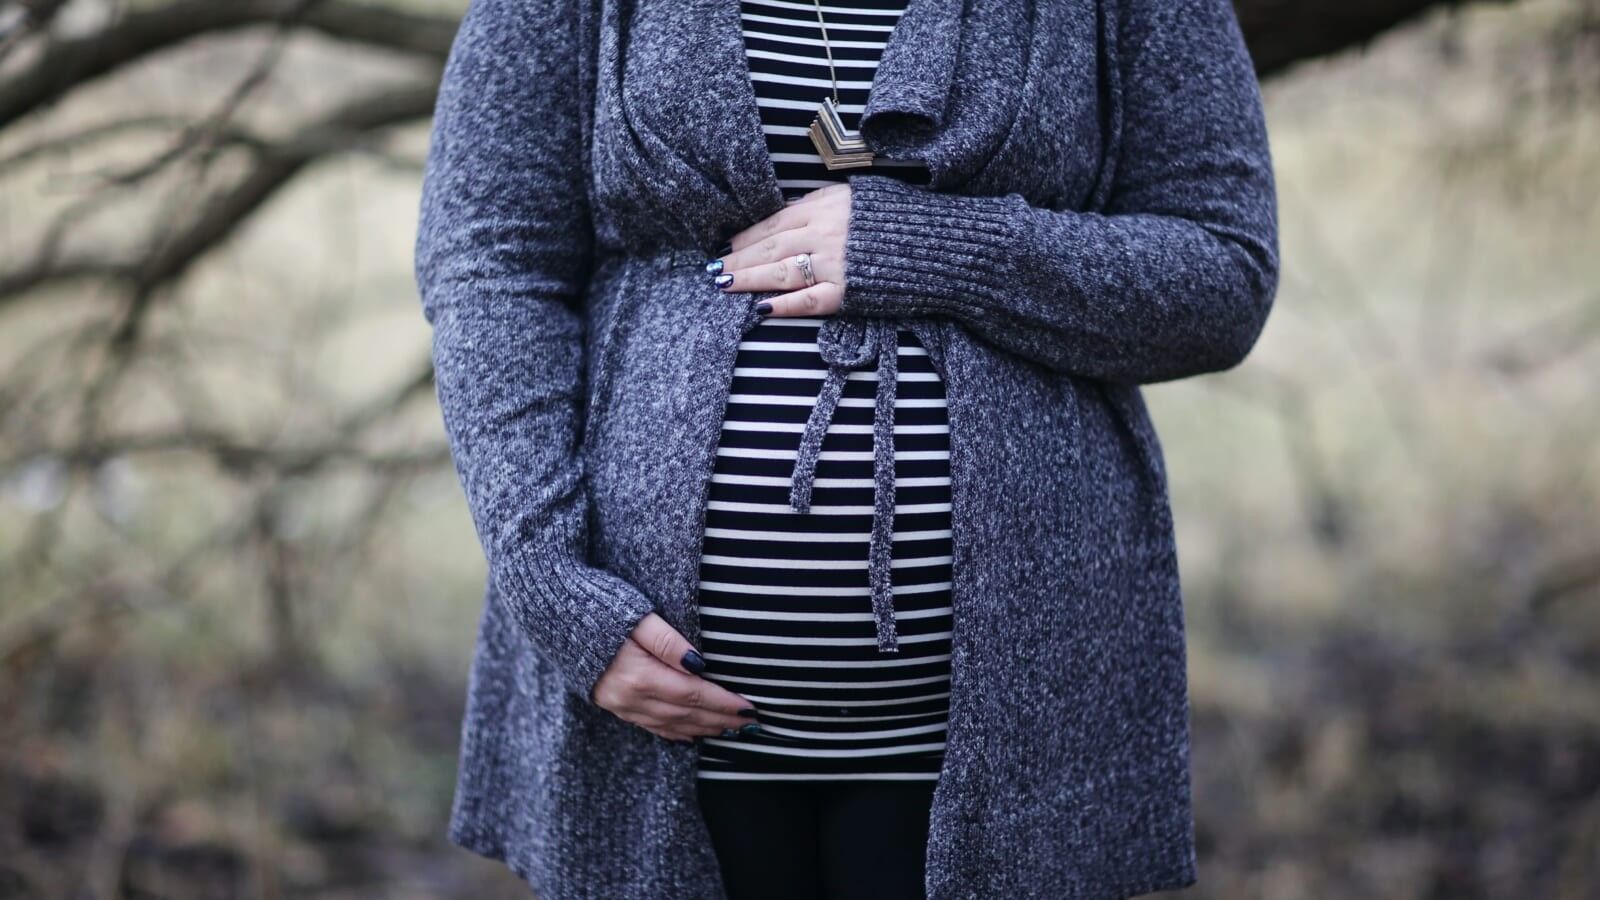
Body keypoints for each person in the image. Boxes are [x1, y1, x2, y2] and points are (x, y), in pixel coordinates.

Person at [411, 0, 1278, 895]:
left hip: (1016, 728)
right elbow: (489, 257)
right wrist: (548, 581)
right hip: (649, 723)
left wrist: (938, 246)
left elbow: (1225, 271)